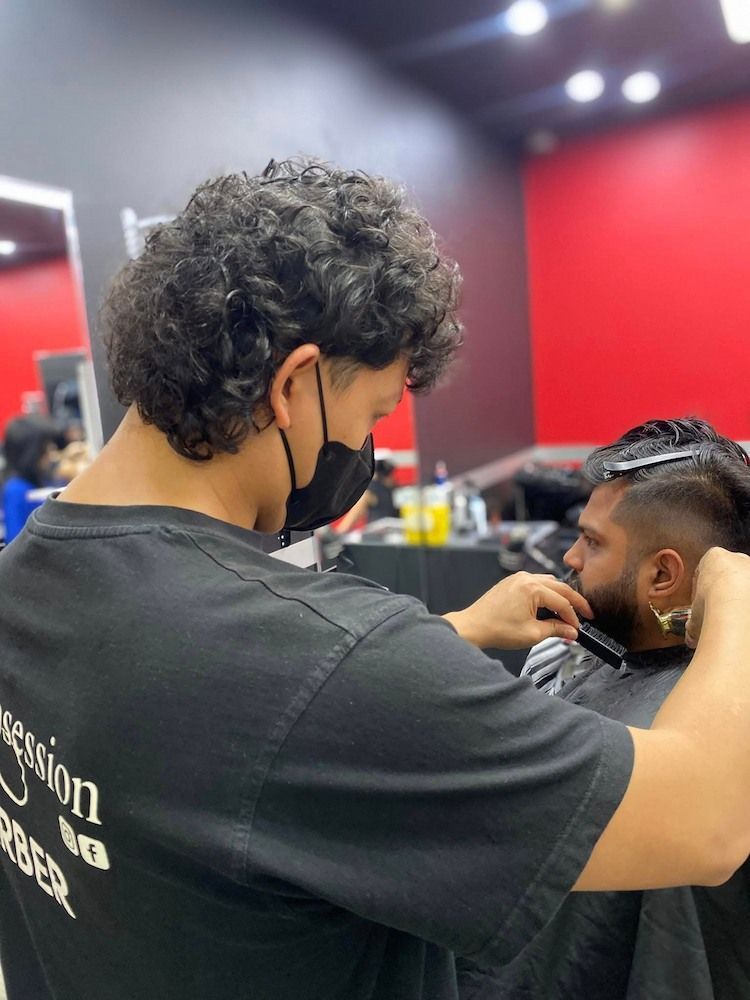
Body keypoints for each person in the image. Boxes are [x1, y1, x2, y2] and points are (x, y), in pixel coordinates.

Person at [0, 160, 750, 1000]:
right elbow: (706, 820)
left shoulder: (23, 578)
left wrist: (450, 633)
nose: (365, 452)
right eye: (375, 416)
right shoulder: (321, 664)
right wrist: (737, 600)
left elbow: (206, 734)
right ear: (292, 385)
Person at [460, 416, 750, 999]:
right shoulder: (572, 656)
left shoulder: (689, 742)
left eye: (592, 542)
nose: (568, 555)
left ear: (662, 574)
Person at [1, 416, 60, 543]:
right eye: (45, 448)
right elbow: (14, 540)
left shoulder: (38, 480)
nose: (51, 452)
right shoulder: (15, 490)